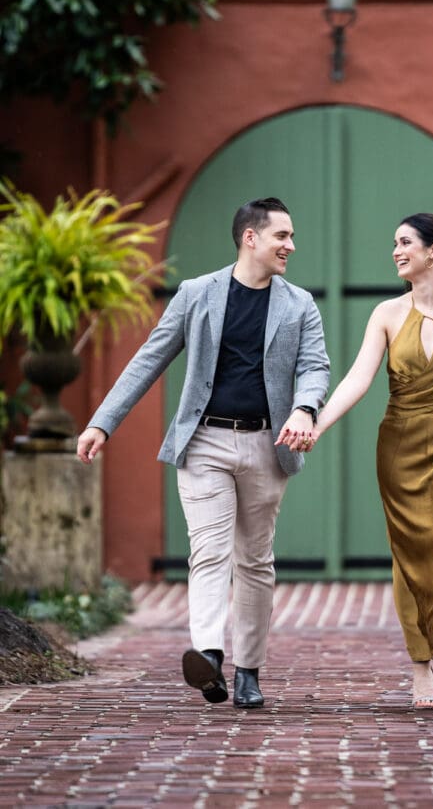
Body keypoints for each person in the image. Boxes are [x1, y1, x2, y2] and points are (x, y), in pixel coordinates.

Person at [77, 197, 329, 709]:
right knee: (209, 551)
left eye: (292, 236)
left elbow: (315, 367)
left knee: (255, 560)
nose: (291, 246)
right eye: (283, 235)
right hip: (204, 442)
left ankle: (248, 671)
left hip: (267, 443)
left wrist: (305, 408)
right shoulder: (197, 294)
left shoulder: (299, 303)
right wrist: (104, 421)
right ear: (250, 238)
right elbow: (150, 358)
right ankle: (210, 655)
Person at [277, 212, 433, 710]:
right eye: (395, 243)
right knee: (411, 553)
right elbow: (357, 378)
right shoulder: (387, 314)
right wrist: (316, 423)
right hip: (400, 443)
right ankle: (420, 667)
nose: (396, 251)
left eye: (405, 242)